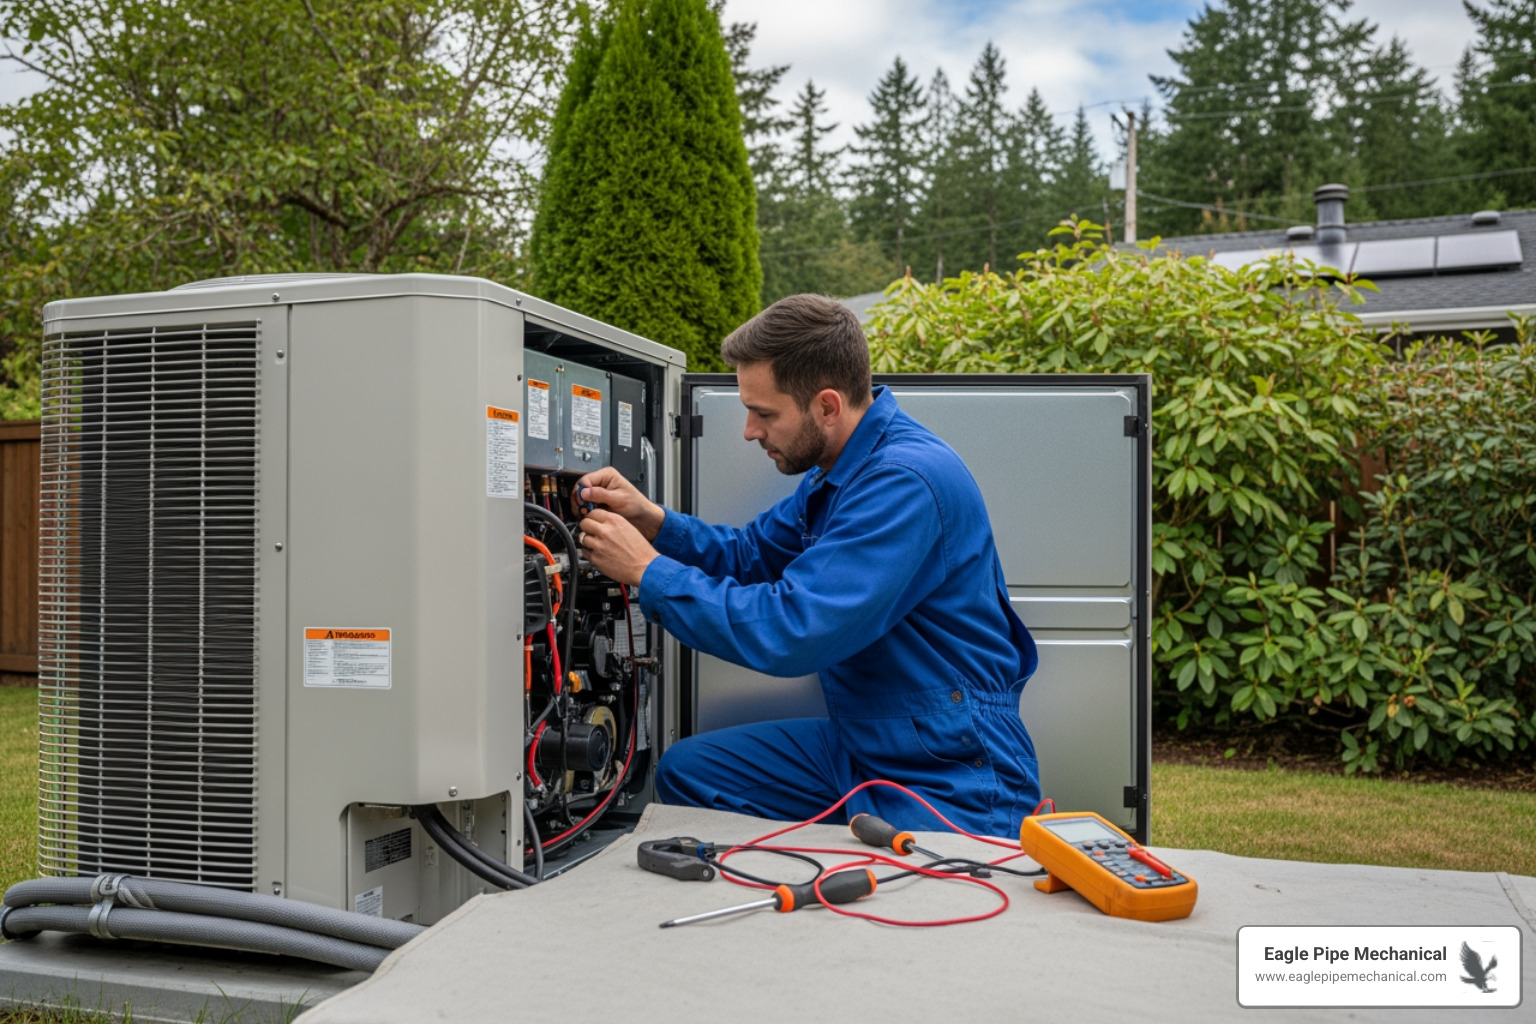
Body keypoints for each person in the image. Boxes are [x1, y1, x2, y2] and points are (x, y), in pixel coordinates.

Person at [575, 294, 1039, 836]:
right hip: (866, 743)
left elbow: (795, 630)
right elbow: (751, 555)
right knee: (692, 774)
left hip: (948, 765)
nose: (749, 430)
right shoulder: (840, 469)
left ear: (827, 406)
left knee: (910, 903)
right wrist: (653, 521)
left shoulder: (904, 482)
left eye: (764, 413)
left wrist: (649, 572)